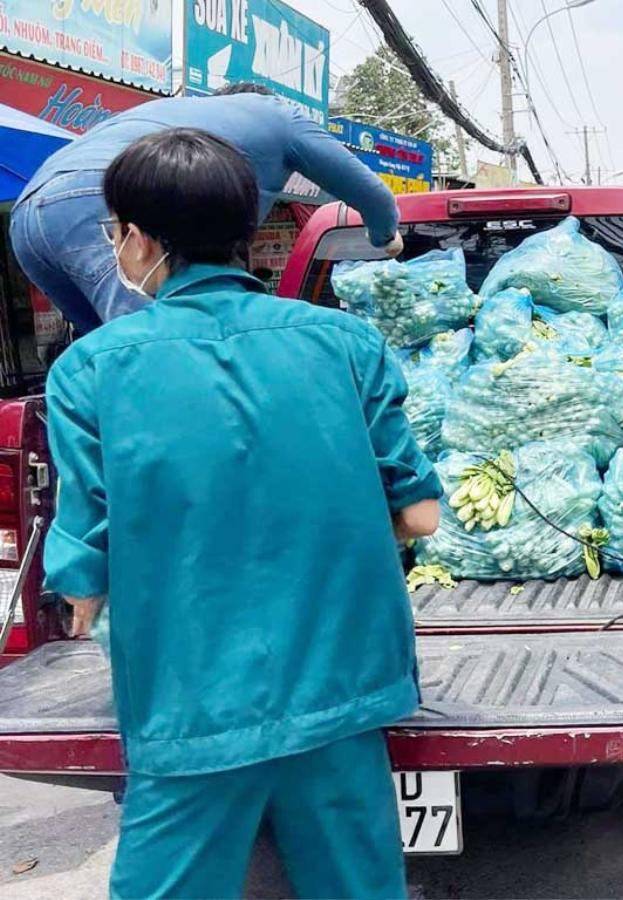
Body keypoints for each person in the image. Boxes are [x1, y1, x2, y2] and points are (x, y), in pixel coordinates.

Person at [43, 128, 440, 898]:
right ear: (247, 231)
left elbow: (83, 585)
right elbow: (419, 516)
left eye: (114, 232)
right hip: (344, 692)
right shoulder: (348, 343)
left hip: (191, 709)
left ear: (138, 238)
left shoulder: (91, 369)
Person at [11, 83, 402, 335]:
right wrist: (385, 238)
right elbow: (372, 194)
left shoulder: (180, 111)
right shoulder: (279, 116)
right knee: (156, 354)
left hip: (26, 215)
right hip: (97, 199)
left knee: (105, 358)